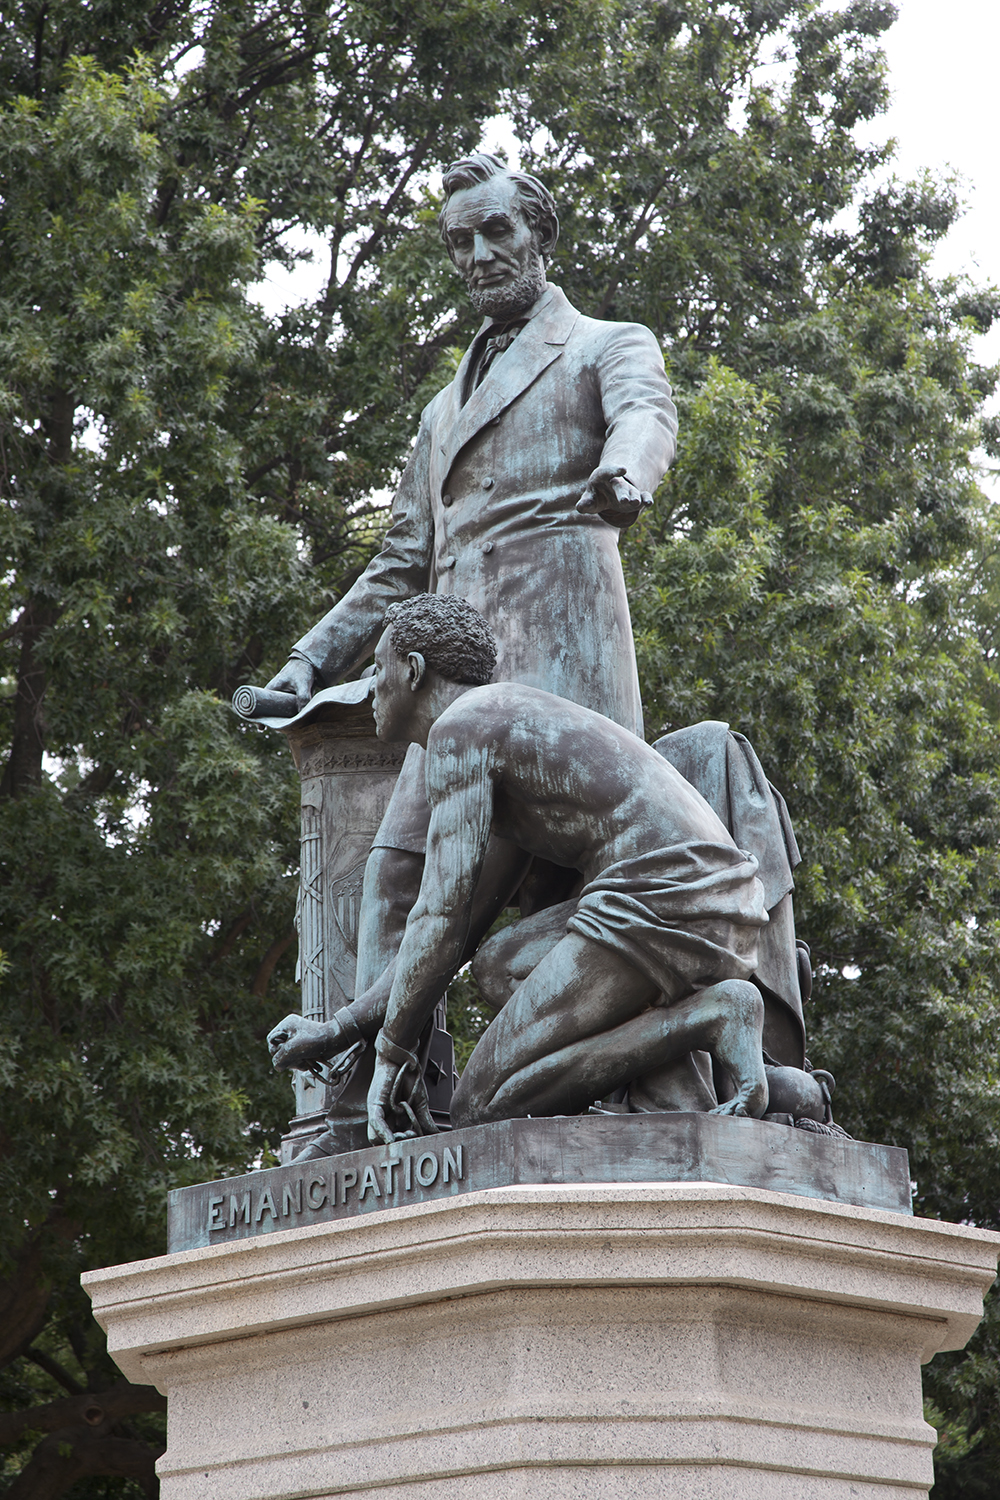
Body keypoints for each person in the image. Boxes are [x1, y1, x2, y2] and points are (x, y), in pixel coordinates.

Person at [264, 152, 677, 1148]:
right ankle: (374, 1109)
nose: (480, 254)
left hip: (561, 667)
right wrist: (308, 663)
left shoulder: (602, 346)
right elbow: (400, 559)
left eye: (496, 232)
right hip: (455, 687)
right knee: (396, 877)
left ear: (540, 236)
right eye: (460, 241)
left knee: (569, 889)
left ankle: (636, 1092)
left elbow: (647, 414)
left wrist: (624, 475)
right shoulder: (440, 408)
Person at [268, 596, 771, 1144]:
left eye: (377, 669)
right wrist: (338, 1030)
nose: (370, 688)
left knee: (480, 1108)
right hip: (691, 891)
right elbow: (449, 935)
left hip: (670, 896)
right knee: (500, 964)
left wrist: (392, 1051)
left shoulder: (462, 731)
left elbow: (436, 919)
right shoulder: (502, 724)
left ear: (412, 671)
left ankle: (714, 1016)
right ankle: (683, 1053)